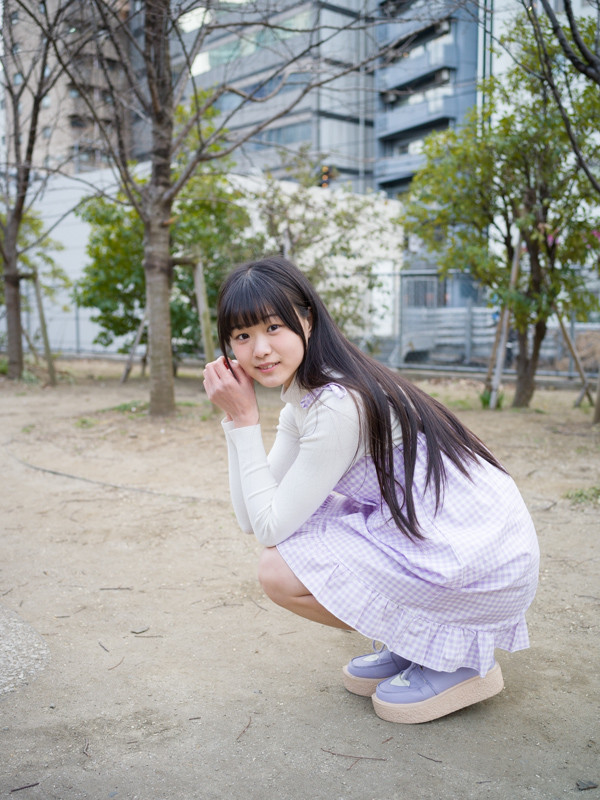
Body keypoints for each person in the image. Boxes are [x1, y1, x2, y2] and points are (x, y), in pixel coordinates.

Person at [203, 256, 539, 724]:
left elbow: (269, 527)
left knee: (278, 571)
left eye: (274, 327)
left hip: (479, 559)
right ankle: (418, 643)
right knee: (294, 540)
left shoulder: (338, 405)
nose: (259, 349)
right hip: (439, 538)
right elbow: (251, 518)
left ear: (307, 320)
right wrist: (235, 421)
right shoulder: (306, 399)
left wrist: (244, 420)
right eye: (242, 336)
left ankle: (458, 663)